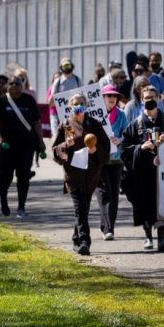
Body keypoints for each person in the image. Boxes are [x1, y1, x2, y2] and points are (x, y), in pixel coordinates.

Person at [52, 92, 111, 254]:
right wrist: (66, 144)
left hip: (90, 175)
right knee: (80, 207)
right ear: (70, 107)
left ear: (86, 106)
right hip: (73, 175)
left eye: (81, 104)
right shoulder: (66, 125)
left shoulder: (94, 125)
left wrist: (95, 150)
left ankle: (76, 238)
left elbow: (106, 148)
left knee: (83, 208)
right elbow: (56, 151)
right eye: (75, 104)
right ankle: (85, 240)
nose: (78, 107)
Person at [120, 85, 164, 251]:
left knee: (162, 204)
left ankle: (162, 238)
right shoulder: (135, 125)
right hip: (143, 172)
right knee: (145, 203)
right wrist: (140, 148)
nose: (150, 100)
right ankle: (148, 236)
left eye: (152, 97)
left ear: (158, 99)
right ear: (142, 100)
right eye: (146, 98)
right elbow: (124, 148)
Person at [0, 75, 44, 217]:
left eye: (17, 83)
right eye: (11, 83)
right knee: (5, 176)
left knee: (23, 175)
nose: (14, 85)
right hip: (6, 145)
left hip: (26, 145)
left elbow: (36, 122)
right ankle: (3, 201)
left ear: (23, 86)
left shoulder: (29, 100)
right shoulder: (0, 101)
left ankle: (21, 207)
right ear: (7, 86)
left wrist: (40, 140)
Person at [96, 84, 128, 240]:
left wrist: (120, 139)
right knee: (104, 194)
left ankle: (108, 226)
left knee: (114, 195)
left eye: (114, 96)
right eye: (108, 96)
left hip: (116, 160)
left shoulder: (121, 115)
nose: (112, 98)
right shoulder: (95, 115)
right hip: (100, 161)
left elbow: (126, 134)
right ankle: (108, 229)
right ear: (102, 98)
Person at [49, 57, 81, 132]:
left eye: (68, 66)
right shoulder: (58, 81)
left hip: (76, 114)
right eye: (65, 66)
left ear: (72, 66)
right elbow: (51, 101)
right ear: (61, 68)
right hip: (61, 116)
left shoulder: (77, 80)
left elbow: (83, 95)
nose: (67, 68)